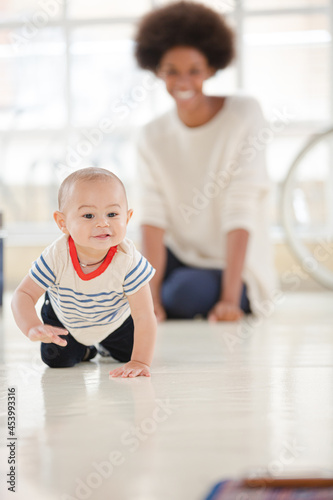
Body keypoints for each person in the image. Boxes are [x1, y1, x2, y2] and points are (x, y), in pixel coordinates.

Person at [134, 1, 276, 322]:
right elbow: (152, 219)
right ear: (157, 70)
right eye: (172, 71)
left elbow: (241, 207)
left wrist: (229, 301)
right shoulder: (151, 135)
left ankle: (228, 291)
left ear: (211, 69)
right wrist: (150, 300)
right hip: (177, 252)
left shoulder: (243, 114)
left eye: (194, 71)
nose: (183, 82)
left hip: (228, 263)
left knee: (182, 295)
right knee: (119, 283)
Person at [11, 167, 157, 378]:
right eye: (88, 215)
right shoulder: (56, 256)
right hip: (66, 319)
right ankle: (86, 349)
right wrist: (32, 326)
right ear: (63, 223)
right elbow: (23, 295)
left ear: (128, 217)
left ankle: (106, 345)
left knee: (129, 353)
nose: (102, 222)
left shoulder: (129, 260)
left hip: (114, 320)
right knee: (56, 360)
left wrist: (140, 361)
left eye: (113, 214)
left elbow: (144, 315)